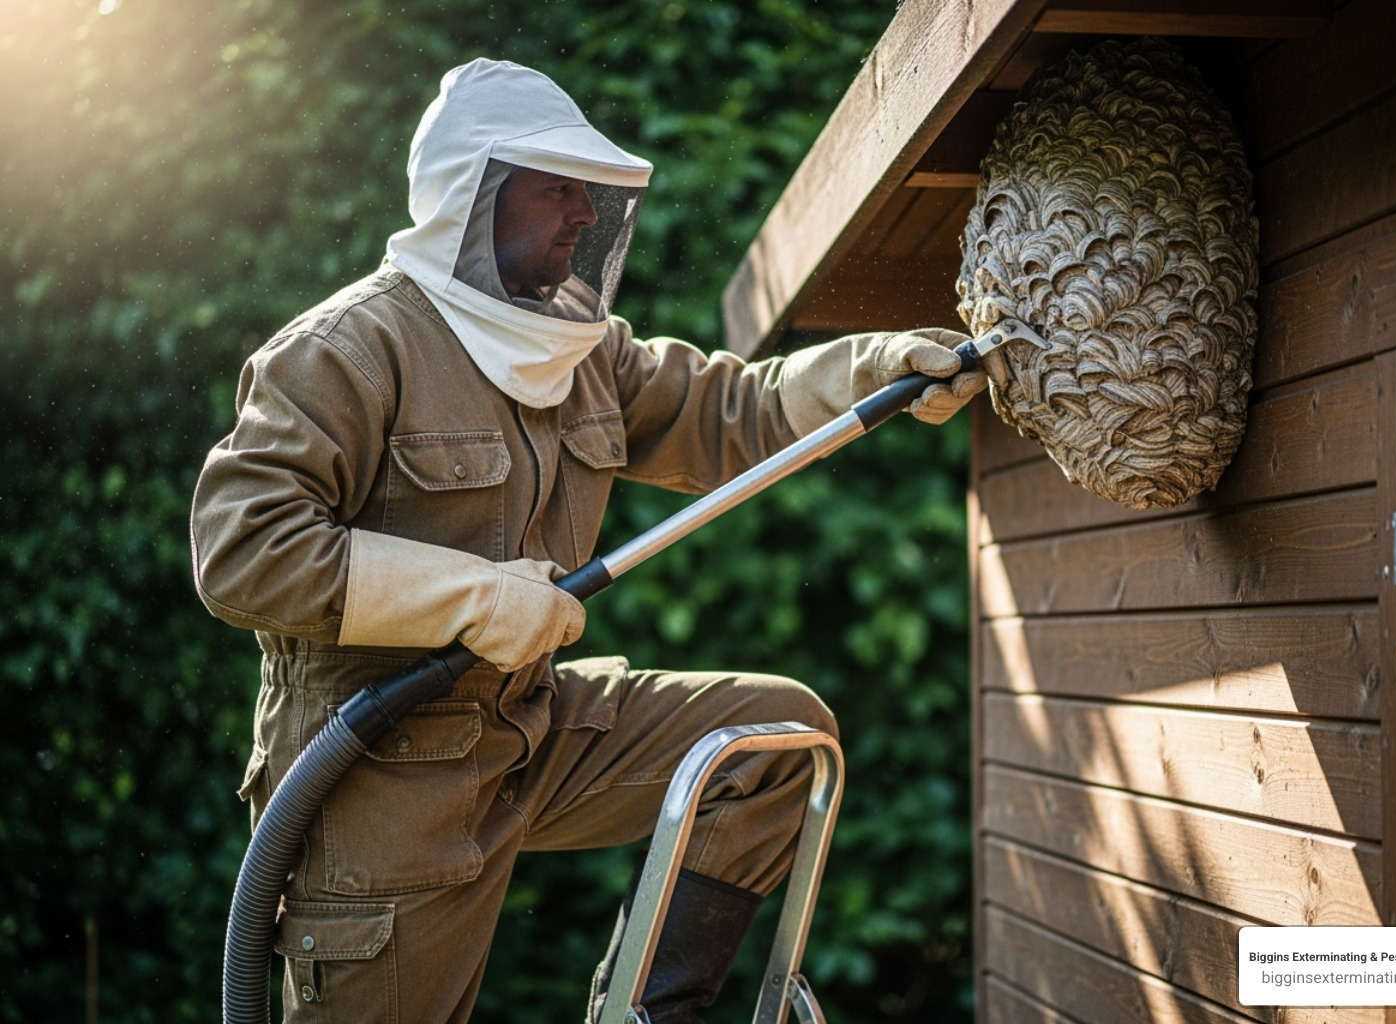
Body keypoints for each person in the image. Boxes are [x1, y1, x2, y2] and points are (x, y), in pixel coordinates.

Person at [190, 58, 988, 1024]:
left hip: (532, 728)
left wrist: (878, 367)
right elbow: (243, 552)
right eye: (555, 188)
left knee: (772, 742)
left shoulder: (582, 349)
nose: (583, 212)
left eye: (589, 191)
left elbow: (730, 410)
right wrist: (475, 597)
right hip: (379, 786)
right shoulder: (345, 351)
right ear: (472, 195)